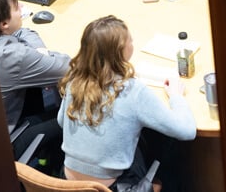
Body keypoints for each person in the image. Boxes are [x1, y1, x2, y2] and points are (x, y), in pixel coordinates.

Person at [57, 15, 196, 191]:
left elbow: (62, 122)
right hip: (114, 187)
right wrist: (176, 96)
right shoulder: (132, 91)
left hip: (67, 183)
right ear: (120, 50)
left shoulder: (74, 81)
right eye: (130, 39)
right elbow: (187, 131)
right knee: (169, 142)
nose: (133, 42)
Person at [0, 0, 70, 167]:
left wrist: (37, 52)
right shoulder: (13, 56)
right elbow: (67, 67)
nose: (22, 10)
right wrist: (41, 54)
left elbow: (21, 32)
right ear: (3, 24)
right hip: (5, 142)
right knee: (76, 114)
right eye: (16, 8)